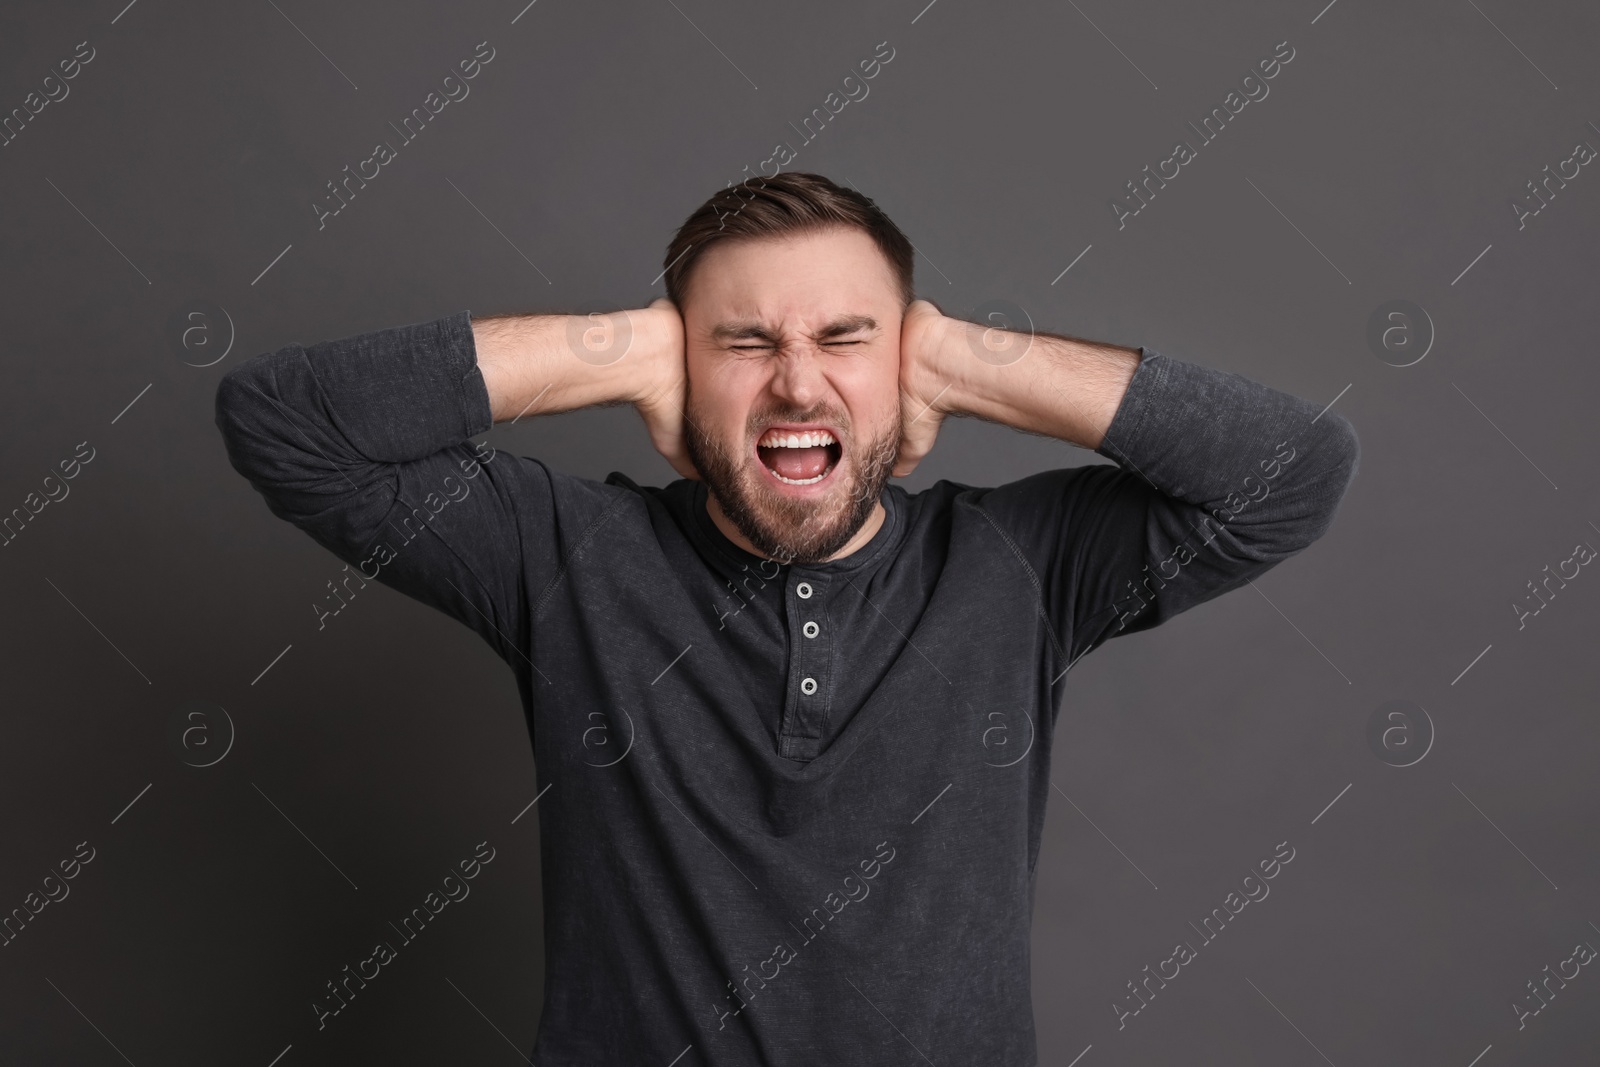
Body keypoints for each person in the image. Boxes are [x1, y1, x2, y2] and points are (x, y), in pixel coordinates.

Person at [214, 171, 1358, 1065]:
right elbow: (285, 425)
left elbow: (1293, 468)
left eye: (847, 338)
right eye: (746, 342)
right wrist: (621, 344)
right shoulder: (565, 556)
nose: (798, 387)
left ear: (902, 355)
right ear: (682, 369)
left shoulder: (1017, 564)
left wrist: (963, 354)